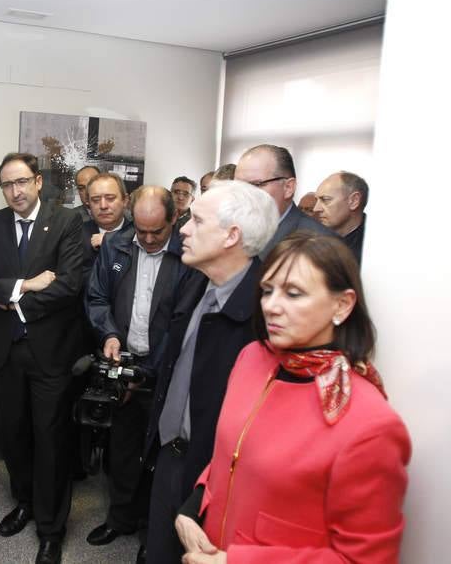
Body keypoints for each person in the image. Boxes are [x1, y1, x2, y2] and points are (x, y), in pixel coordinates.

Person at [175, 233, 410, 564]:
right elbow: (231, 455)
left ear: (342, 305)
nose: (270, 305)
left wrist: (234, 562)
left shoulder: (371, 425)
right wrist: (193, 507)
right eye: (267, 291)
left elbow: (363, 559)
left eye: (293, 293)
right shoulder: (252, 359)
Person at [144, 181, 280, 564]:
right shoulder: (196, 283)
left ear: (231, 236)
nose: (183, 229)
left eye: (197, 221)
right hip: (170, 456)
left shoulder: (267, 315)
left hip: (217, 477)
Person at [0, 153, 83, 564]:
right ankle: (26, 502)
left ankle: (51, 528)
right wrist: (22, 287)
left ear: (37, 182)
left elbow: (69, 285)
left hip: (50, 352)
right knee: (12, 436)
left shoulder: (67, 221)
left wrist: (11, 301)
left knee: (50, 440)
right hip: (5, 352)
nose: (14, 191)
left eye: (21, 182)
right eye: (6, 184)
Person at [85, 185, 187, 561]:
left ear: (173, 219)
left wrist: (150, 371)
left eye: (156, 232)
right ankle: (120, 518)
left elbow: (182, 322)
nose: (146, 239)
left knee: (162, 456)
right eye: (141, 231)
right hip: (123, 364)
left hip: (167, 372)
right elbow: (96, 297)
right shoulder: (117, 245)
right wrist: (109, 334)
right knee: (123, 448)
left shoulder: (188, 255)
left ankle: (153, 532)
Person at [234, 144, 332, 259]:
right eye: (238, 186)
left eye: (256, 185)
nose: (243, 194)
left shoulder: (321, 243)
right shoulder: (233, 230)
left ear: (288, 188)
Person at [81, 172, 131, 282]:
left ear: (125, 200)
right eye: (95, 200)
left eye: (110, 198)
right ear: (88, 204)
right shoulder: (76, 235)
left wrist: (111, 241)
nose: (103, 206)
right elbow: (73, 281)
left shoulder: (138, 234)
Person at [313, 171, 369, 264]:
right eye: (316, 200)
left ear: (354, 201)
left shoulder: (374, 248)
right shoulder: (313, 237)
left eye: (325, 200)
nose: (316, 209)